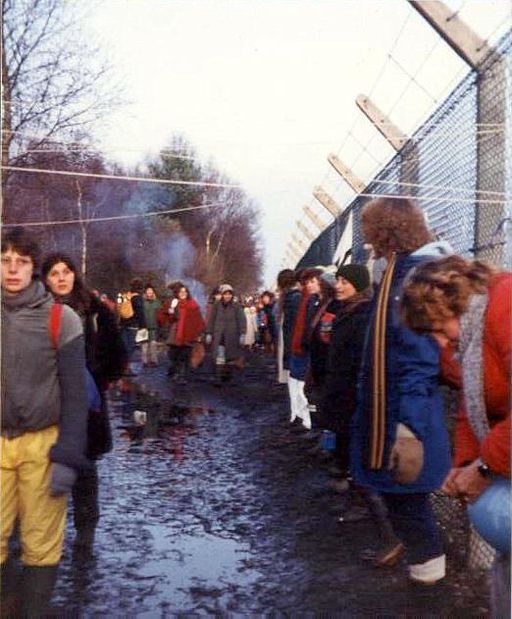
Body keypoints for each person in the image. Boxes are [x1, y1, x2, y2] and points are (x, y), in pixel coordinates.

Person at [350, 197, 453, 586]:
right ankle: (424, 572)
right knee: (402, 499)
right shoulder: (399, 270)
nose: (366, 235)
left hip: (404, 414)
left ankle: (429, 583)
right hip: (392, 408)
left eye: (370, 227)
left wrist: (408, 427)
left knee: (408, 501)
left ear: (386, 231)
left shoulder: (412, 278)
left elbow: (418, 358)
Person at [401, 255, 511, 614]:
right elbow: (472, 404)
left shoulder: (504, 307)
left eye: (436, 327)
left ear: (454, 301)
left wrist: (483, 468)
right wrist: (463, 463)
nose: (438, 342)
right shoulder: (470, 338)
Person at [1, 228, 89, 616]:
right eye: (5, 261)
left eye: (21, 261)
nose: (12, 269)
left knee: (40, 542)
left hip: (43, 444)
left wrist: (68, 454)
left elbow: (75, 393)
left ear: (34, 268)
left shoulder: (60, 318)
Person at [41, 253, 127, 555]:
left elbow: (118, 355)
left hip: (86, 403)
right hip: (45, 400)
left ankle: (85, 530)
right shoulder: (35, 311)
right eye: (54, 273)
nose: (62, 277)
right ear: (45, 279)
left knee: (84, 468)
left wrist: (95, 378)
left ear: (75, 275)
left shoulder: (96, 311)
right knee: (42, 465)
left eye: (66, 271)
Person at [205, 283, 246, 385]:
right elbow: (212, 319)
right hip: (219, 335)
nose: (227, 296)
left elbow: (241, 320)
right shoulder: (216, 305)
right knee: (219, 357)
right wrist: (209, 333)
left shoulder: (236, 306)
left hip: (232, 335)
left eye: (229, 294)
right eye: (225, 294)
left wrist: (242, 333)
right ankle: (218, 378)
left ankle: (228, 376)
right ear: (222, 294)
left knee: (230, 357)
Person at [165, 284, 205, 384]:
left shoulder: (192, 304)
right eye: (181, 292)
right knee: (174, 355)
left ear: (187, 293)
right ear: (178, 294)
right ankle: (176, 373)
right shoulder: (175, 303)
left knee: (185, 356)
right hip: (175, 334)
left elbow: (198, 320)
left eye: (184, 292)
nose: (182, 294)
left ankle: (183, 376)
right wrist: (172, 309)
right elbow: (170, 319)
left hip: (188, 334)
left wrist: (199, 334)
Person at [276, 269, 301, 385]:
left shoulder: (292, 298)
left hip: (292, 343)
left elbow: (291, 326)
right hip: (291, 341)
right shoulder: (294, 297)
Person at [119, 277, 146, 375]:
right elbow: (140, 312)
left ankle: (121, 367)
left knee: (124, 346)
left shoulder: (126, 296)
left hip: (123, 325)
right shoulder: (137, 297)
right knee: (130, 348)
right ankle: (126, 368)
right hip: (133, 326)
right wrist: (143, 326)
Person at [142, 285, 161, 367]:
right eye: (148, 292)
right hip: (144, 327)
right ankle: (145, 362)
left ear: (153, 293)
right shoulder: (143, 302)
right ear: (146, 293)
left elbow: (160, 313)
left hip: (153, 326)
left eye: (151, 292)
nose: (149, 293)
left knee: (153, 345)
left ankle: (154, 361)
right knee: (144, 346)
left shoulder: (157, 302)